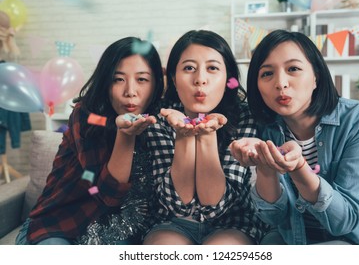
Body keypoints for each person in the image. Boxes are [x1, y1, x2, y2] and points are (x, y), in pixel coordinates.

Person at [229, 29, 359, 245]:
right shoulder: (264, 126)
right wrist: (265, 168)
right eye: (267, 73)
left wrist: (298, 168)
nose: (281, 83)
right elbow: (273, 217)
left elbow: (345, 221)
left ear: (317, 76)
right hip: (294, 237)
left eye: (293, 69)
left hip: (355, 240)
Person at [15, 36, 164, 245]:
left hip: (117, 232)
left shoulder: (161, 119)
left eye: (142, 79)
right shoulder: (89, 116)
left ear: (157, 83)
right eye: (118, 79)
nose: (130, 91)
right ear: (105, 81)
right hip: (60, 226)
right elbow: (108, 195)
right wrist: (126, 135)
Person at [143, 30, 265, 245]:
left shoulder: (245, 116)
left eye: (212, 68)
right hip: (172, 222)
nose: (200, 79)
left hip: (233, 222)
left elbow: (216, 204)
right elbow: (176, 204)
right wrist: (184, 135)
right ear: (173, 77)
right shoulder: (160, 118)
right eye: (189, 68)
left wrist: (208, 134)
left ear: (228, 77)